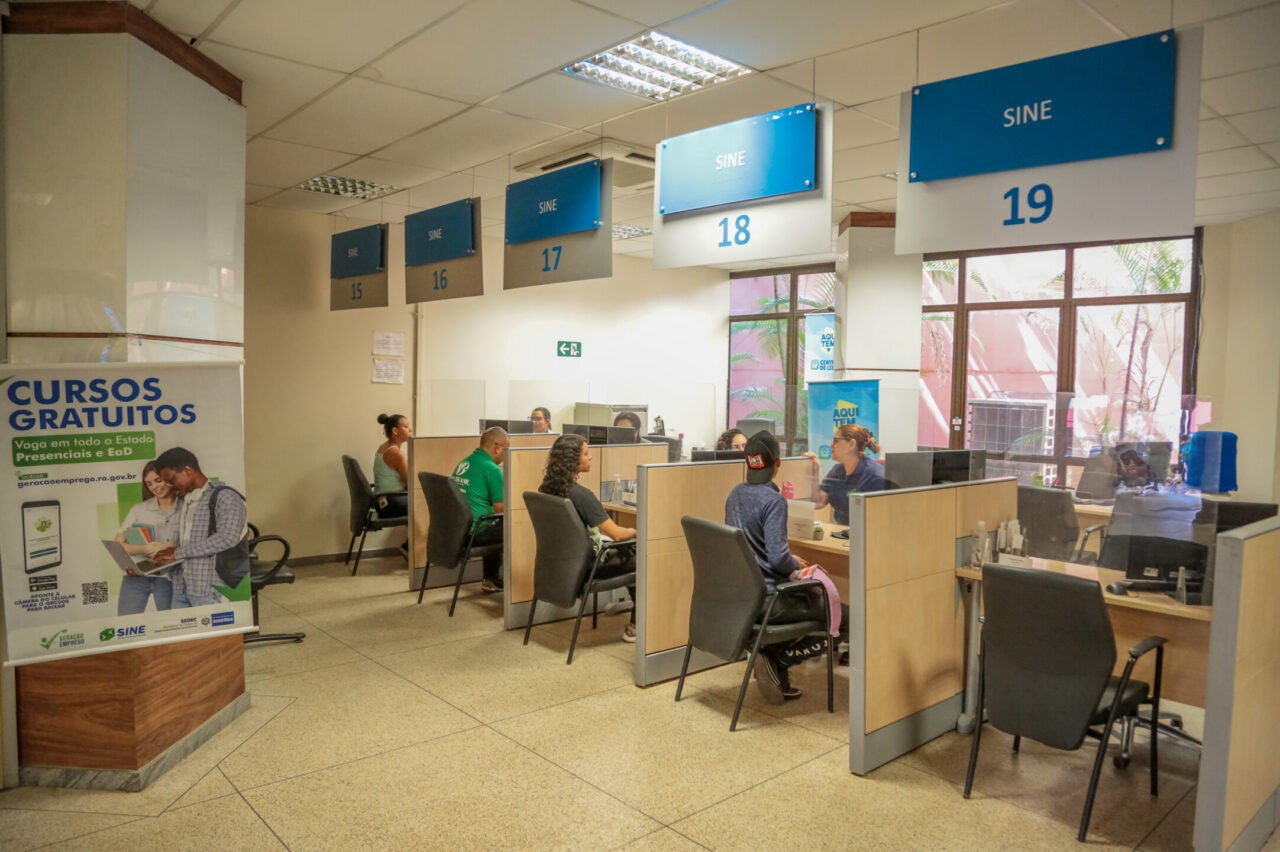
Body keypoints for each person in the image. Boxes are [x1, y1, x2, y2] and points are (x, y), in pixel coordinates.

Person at [725, 431, 833, 704]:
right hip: (771, 599)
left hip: (744, 596)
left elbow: (753, 546)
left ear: (748, 462)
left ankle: (770, 657)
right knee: (842, 617)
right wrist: (792, 561)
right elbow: (777, 560)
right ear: (778, 463)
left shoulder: (735, 494)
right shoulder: (774, 500)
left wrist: (787, 556)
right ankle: (780, 659)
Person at [539, 433, 638, 643]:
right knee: (640, 557)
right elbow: (617, 534)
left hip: (560, 564)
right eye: (586, 453)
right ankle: (638, 624)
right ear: (573, 460)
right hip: (588, 567)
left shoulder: (546, 489)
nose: (591, 457)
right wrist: (637, 531)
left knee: (629, 550)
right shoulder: (582, 496)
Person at [147, 447, 247, 608]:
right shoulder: (187, 499)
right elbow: (189, 543)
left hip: (209, 589)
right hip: (181, 587)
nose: (169, 486)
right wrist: (162, 558)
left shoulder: (226, 497)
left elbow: (227, 538)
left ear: (188, 471)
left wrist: (177, 553)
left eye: (171, 480)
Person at [116, 461, 179, 615]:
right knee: (126, 623)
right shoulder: (139, 510)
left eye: (158, 480)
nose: (154, 486)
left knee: (171, 623)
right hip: (136, 577)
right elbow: (118, 545)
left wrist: (168, 547)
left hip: (170, 578)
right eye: (149, 483)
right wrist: (144, 549)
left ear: (168, 477)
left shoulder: (186, 507)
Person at [450, 427, 509, 592]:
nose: (506, 455)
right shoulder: (492, 469)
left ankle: (491, 579)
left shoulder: (465, 462)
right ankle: (518, 587)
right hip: (475, 533)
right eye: (507, 449)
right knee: (515, 525)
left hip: (457, 530)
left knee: (494, 520)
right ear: (498, 447)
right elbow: (502, 509)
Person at [813, 424, 885, 524]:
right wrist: (815, 472)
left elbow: (882, 518)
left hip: (867, 531)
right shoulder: (836, 471)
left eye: (836, 441)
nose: (831, 445)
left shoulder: (875, 476)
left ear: (851, 444)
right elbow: (819, 502)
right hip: (841, 530)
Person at [373, 412, 412, 517]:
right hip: (390, 503)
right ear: (395, 431)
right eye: (406, 427)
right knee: (427, 504)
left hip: (382, 501)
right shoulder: (396, 454)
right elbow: (411, 483)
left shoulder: (384, 447)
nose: (410, 430)